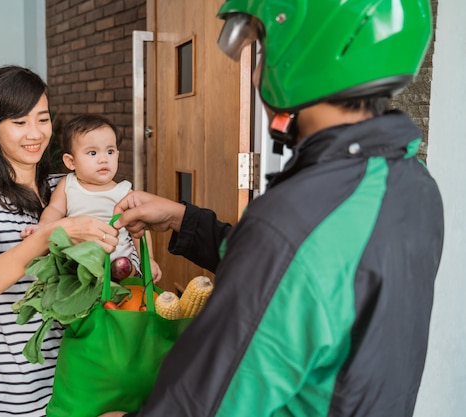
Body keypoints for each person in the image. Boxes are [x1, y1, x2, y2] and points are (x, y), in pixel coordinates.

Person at [100, 0, 444, 416]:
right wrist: (180, 218)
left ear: (301, 51)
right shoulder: (413, 184)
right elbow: (303, 283)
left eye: (261, 47)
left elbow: (201, 403)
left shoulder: (296, 218)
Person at [0, 65, 119, 417]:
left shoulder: (68, 184)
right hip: (25, 391)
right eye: (19, 122)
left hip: (88, 371)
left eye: (42, 119)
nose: (35, 133)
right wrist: (50, 236)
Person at [20, 113, 162, 282]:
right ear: (70, 162)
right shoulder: (68, 185)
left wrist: (148, 260)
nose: (103, 159)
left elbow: (140, 232)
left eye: (110, 151)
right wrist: (42, 227)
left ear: (117, 154)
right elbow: (55, 209)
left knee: (121, 273)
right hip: (78, 262)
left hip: (117, 263)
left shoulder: (124, 193)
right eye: (93, 153)